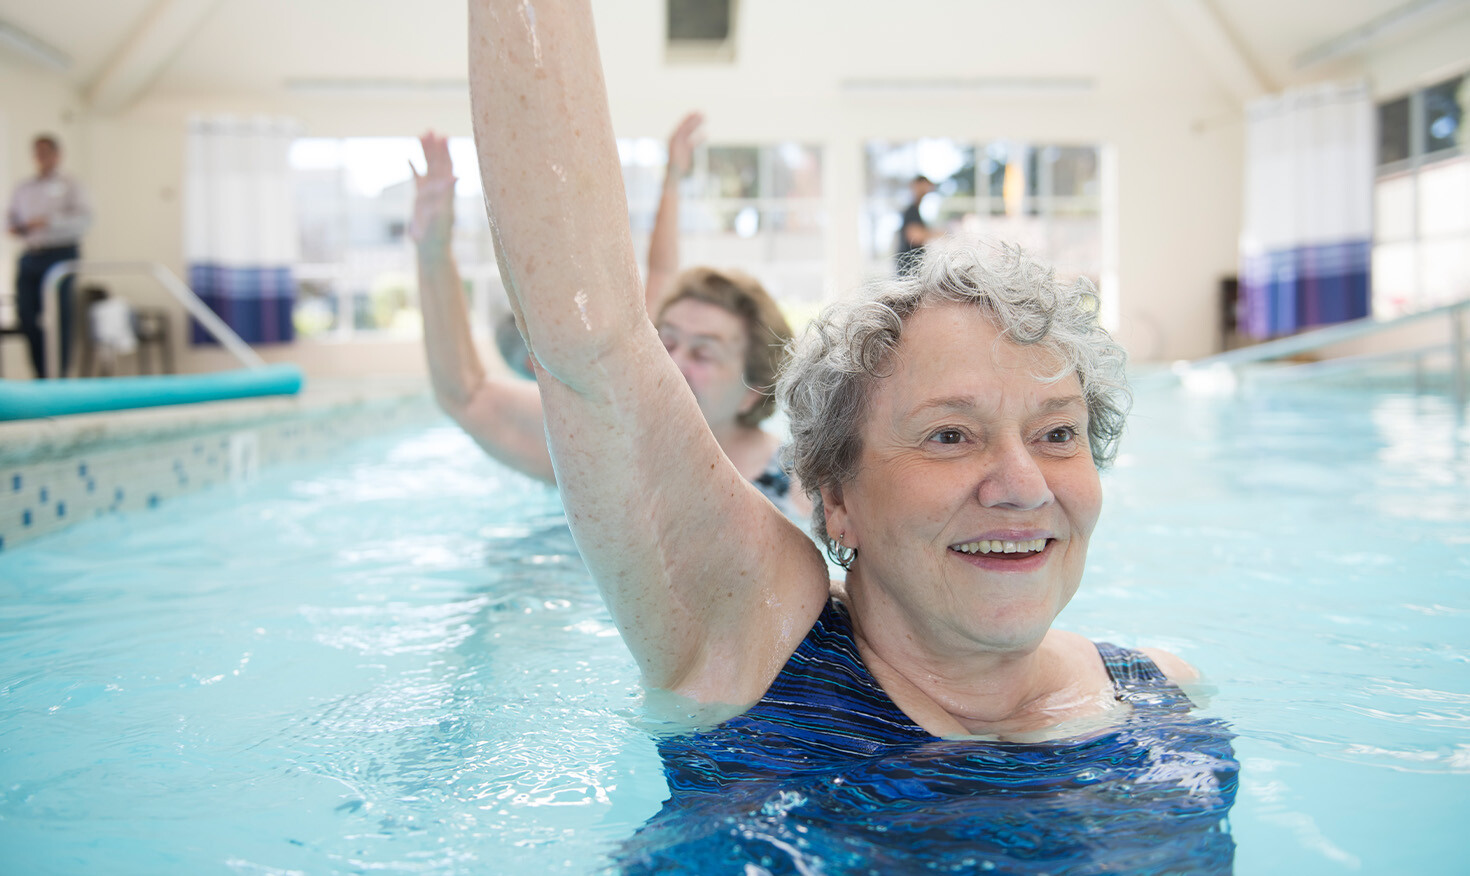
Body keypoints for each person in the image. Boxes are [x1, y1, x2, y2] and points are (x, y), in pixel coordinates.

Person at [466, 2, 1235, 870]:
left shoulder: (1165, 699)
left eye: (1057, 433)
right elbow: (588, 331)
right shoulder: (755, 651)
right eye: (951, 436)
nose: (1023, 483)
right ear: (836, 499)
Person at [412, 115, 807, 518]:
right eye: (666, 341)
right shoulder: (598, 453)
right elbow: (466, 393)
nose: (672, 362)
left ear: (752, 392)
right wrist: (432, 247)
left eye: (703, 354)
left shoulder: (795, 489)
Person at [7, 134, 92, 378]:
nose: (41, 157)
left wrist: (48, 222)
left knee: (59, 316)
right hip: (31, 256)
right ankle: (41, 375)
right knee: (26, 315)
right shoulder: (23, 188)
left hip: (61, 255)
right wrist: (15, 226)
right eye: (37, 152)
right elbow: (9, 218)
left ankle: (59, 377)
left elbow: (84, 221)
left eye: (46, 152)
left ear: (57, 154)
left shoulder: (72, 185)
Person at [895, 174, 940, 278]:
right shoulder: (911, 211)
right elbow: (914, 236)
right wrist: (936, 234)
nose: (926, 191)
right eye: (923, 187)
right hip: (908, 270)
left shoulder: (916, 211)